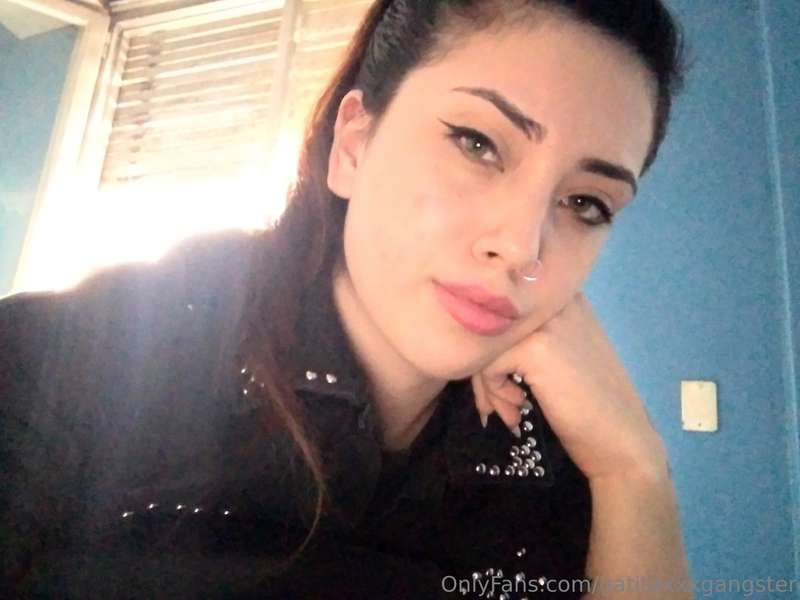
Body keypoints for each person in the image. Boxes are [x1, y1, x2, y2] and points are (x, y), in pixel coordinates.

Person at [0, 0, 692, 598]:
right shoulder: (94, 358)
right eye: (477, 143)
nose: (521, 247)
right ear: (354, 144)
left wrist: (633, 469)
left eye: (586, 203)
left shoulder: (557, 455)